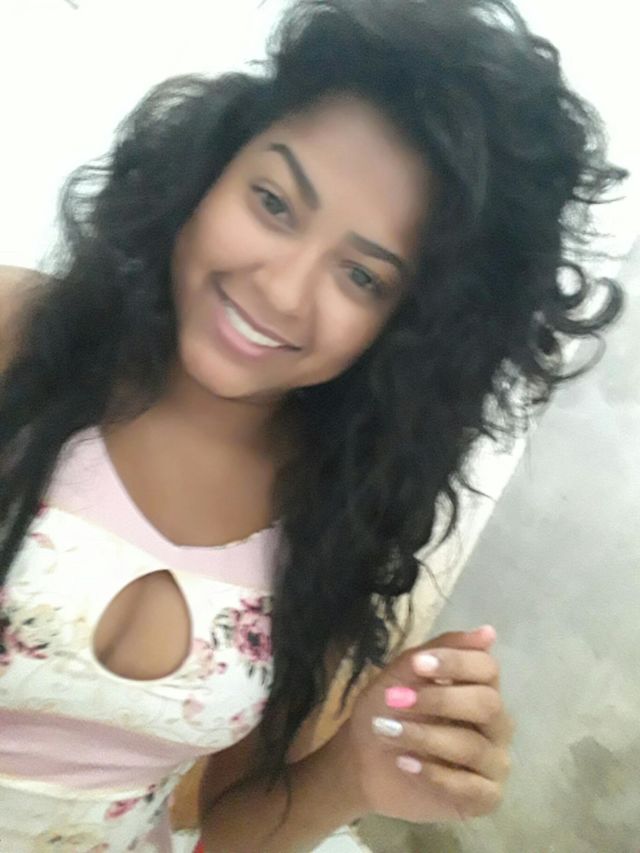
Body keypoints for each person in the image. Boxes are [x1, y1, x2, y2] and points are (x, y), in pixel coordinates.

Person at [0, 0, 625, 850]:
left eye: (363, 277)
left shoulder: (334, 513)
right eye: (273, 201)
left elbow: (228, 831)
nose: (282, 288)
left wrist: (355, 771)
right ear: (212, 163)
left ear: (407, 328)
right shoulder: (18, 337)